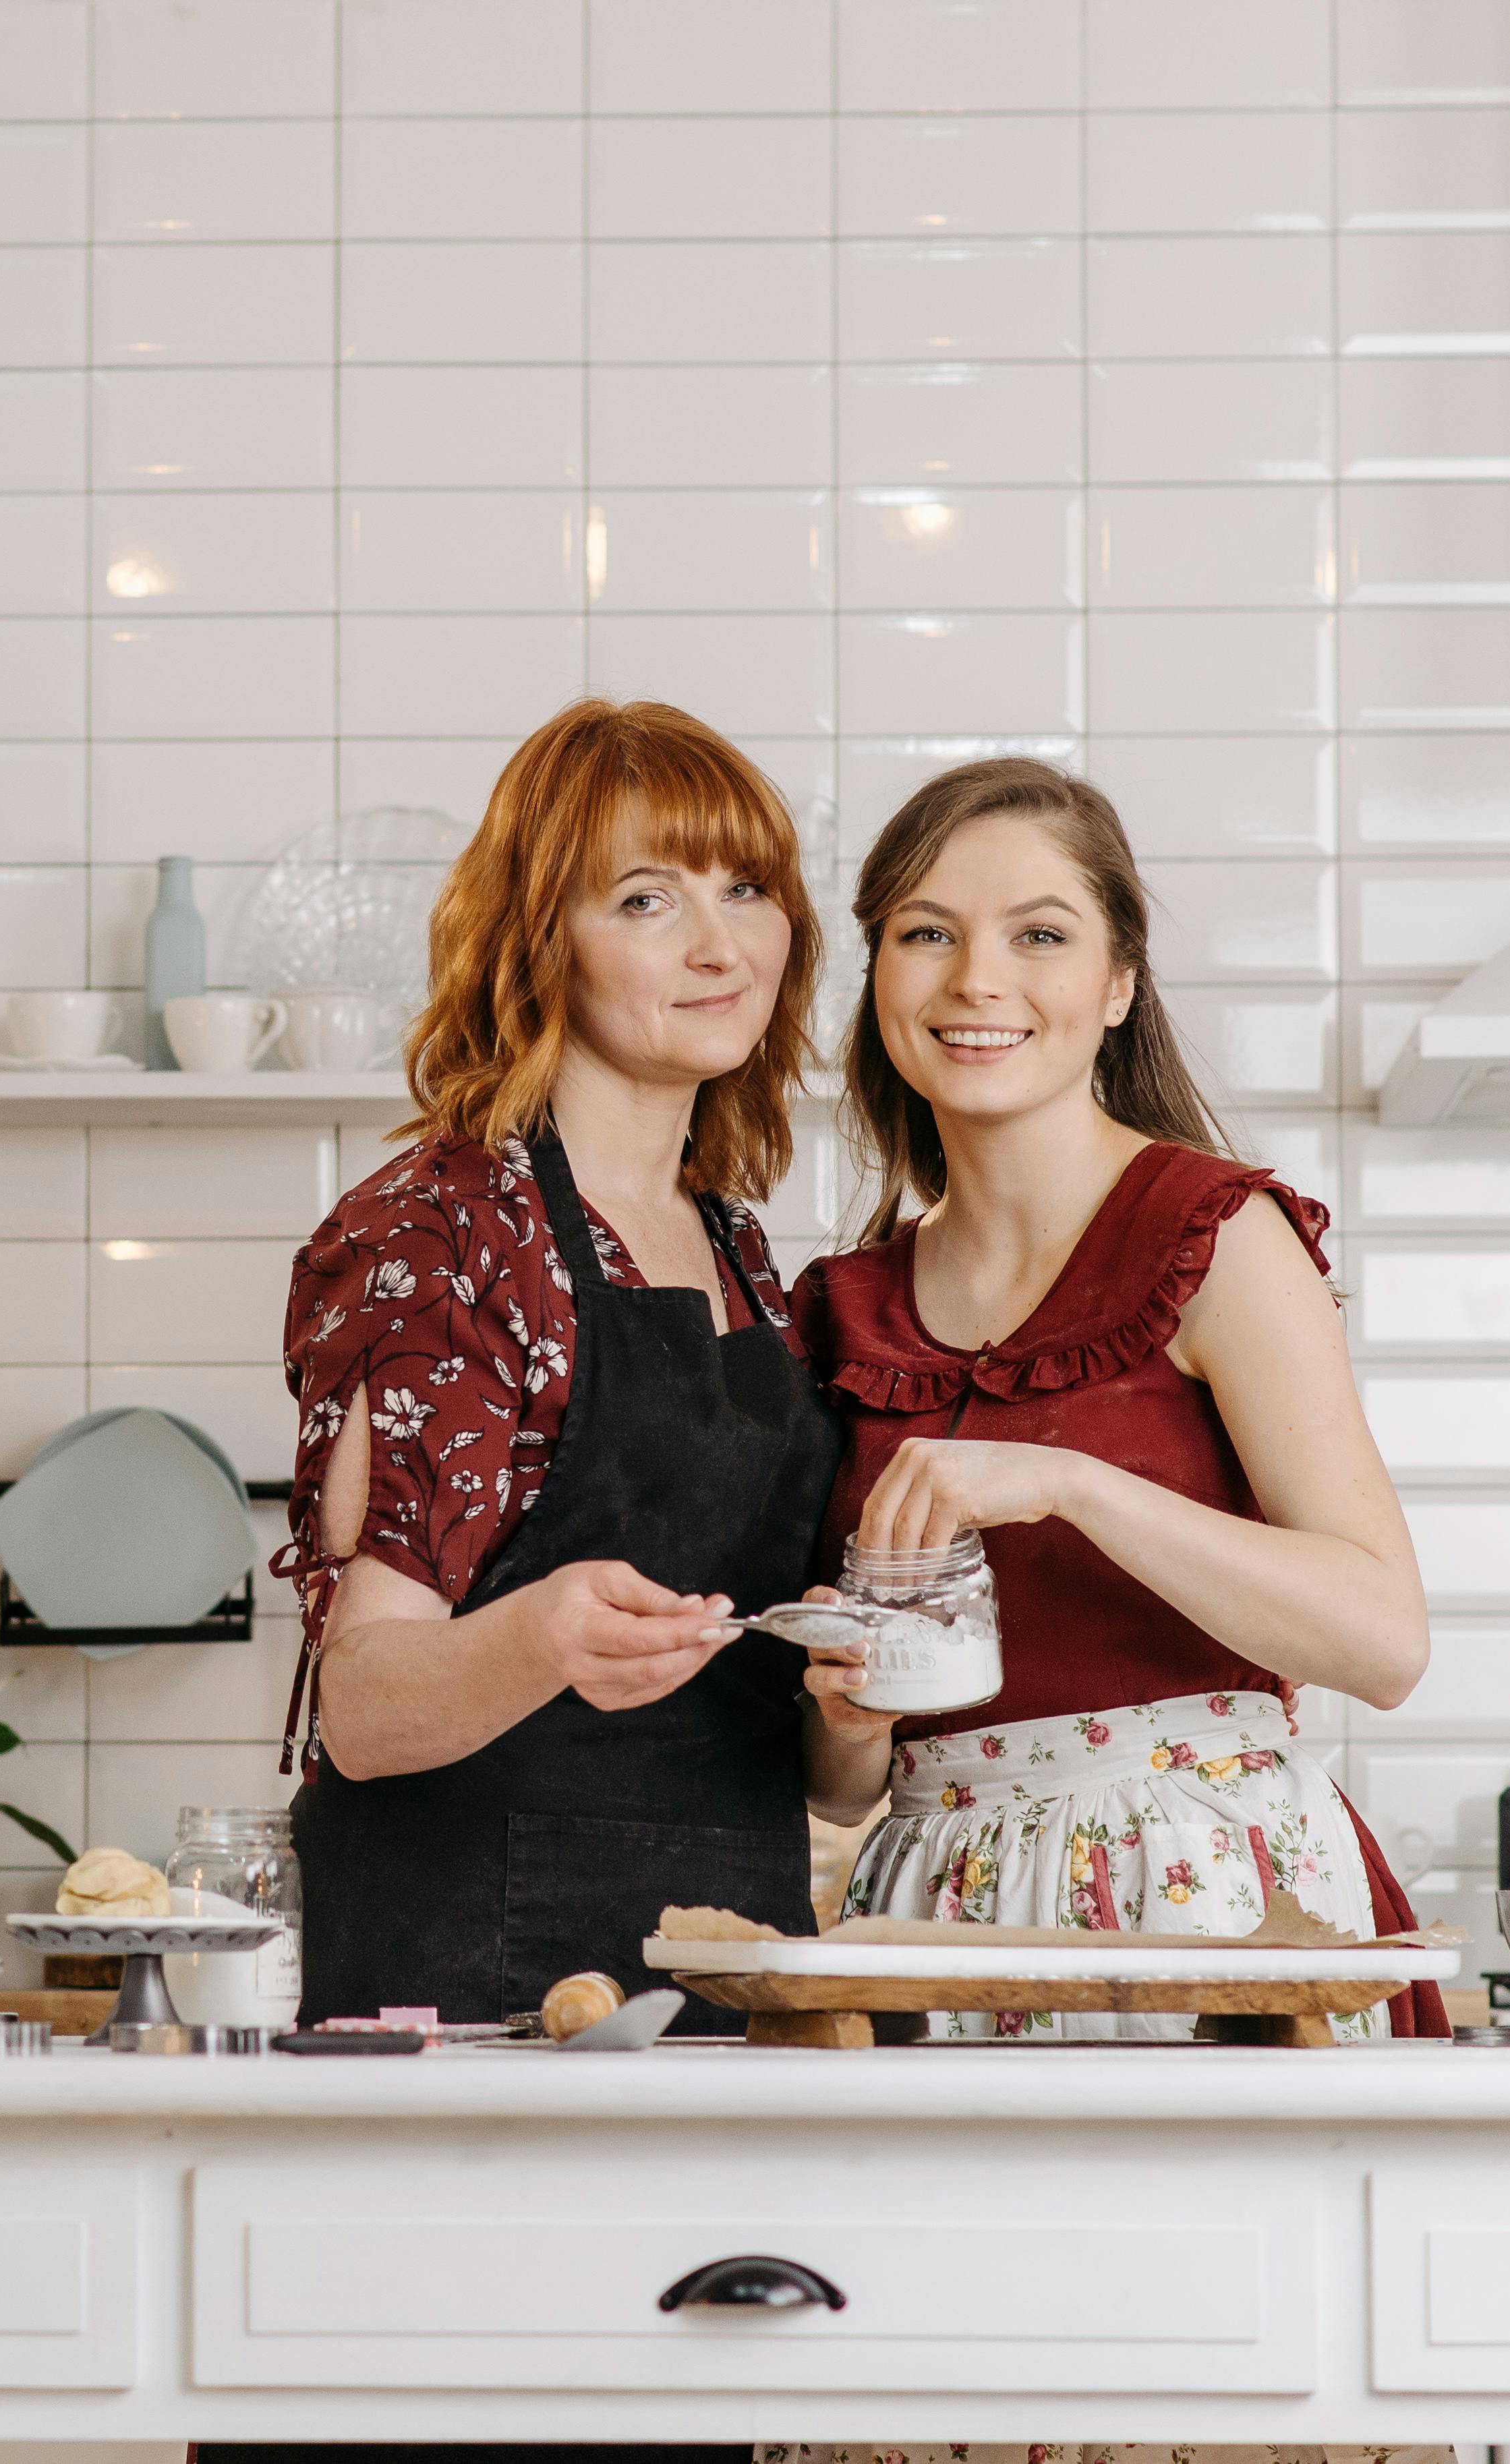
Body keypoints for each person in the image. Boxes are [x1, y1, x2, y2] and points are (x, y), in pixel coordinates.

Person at [786, 755, 1445, 2047]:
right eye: (929, 934)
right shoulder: (841, 1309)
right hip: (931, 1922)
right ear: (881, 982)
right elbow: (834, 1783)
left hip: (1203, 1915)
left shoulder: (1212, 1235)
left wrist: (1069, 1483)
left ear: (1118, 984)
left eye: (1039, 934)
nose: (978, 978)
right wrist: (849, 1724)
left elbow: (1382, 1640)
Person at [270, 697, 885, 2055]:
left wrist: (850, 1716)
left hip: (732, 1967)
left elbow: (818, 1783)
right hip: (472, 1996)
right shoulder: (442, 1234)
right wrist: (544, 1635)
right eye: (646, 900)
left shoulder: (732, 1240)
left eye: (746, 888)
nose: (723, 945)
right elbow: (366, 1706)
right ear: (540, 940)